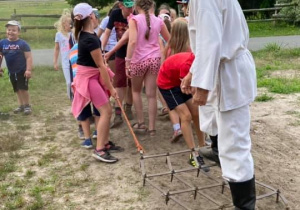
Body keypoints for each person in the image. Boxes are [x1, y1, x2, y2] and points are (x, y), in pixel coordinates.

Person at [181, 0, 257, 209]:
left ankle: (244, 205)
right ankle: (216, 150)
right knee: (216, 124)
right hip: (224, 67)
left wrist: (202, 86)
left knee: (234, 145)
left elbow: (210, 42)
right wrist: (193, 73)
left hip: (228, 72)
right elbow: (208, 39)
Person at [72, 3, 123, 163]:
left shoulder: (88, 35)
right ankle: (99, 149)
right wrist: (111, 88)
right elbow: (100, 65)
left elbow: (100, 63)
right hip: (88, 79)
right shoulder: (90, 39)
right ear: (92, 16)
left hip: (92, 76)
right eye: (95, 14)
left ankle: (105, 143)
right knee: (106, 111)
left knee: (105, 111)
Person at [126, 0, 170, 137]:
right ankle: (152, 128)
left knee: (136, 91)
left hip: (138, 59)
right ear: (152, 6)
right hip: (154, 59)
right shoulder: (158, 21)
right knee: (152, 94)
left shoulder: (134, 20)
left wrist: (127, 61)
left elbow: (132, 41)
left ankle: (141, 123)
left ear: (136, 6)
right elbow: (170, 39)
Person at [157, 52, 208, 171]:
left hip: (180, 80)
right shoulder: (188, 66)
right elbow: (191, 89)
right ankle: (193, 154)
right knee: (186, 116)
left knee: (196, 113)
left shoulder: (202, 60)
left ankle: (202, 147)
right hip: (168, 84)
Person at [101, 0, 134, 128]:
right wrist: (102, 49)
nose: (130, 10)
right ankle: (118, 112)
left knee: (131, 82)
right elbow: (107, 32)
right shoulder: (115, 14)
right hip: (120, 51)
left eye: (132, 7)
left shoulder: (135, 15)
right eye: (127, 8)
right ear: (121, 6)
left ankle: (129, 107)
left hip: (133, 52)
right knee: (119, 81)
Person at [0, 20, 33, 115]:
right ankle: (21, 105)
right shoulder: (2, 43)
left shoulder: (23, 44)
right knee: (17, 89)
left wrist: (28, 70)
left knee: (23, 88)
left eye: (14, 30)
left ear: (18, 32)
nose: (10, 32)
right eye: (9, 29)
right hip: (11, 71)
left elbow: (28, 57)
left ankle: (27, 106)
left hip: (22, 70)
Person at [54, 9, 74, 100]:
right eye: (67, 23)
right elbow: (57, 48)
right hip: (65, 62)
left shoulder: (74, 34)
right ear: (63, 24)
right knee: (69, 82)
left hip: (74, 61)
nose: (69, 25)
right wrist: (55, 62)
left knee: (75, 81)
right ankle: (71, 98)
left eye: (71, 23)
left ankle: (76, 98)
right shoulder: (59, 35)